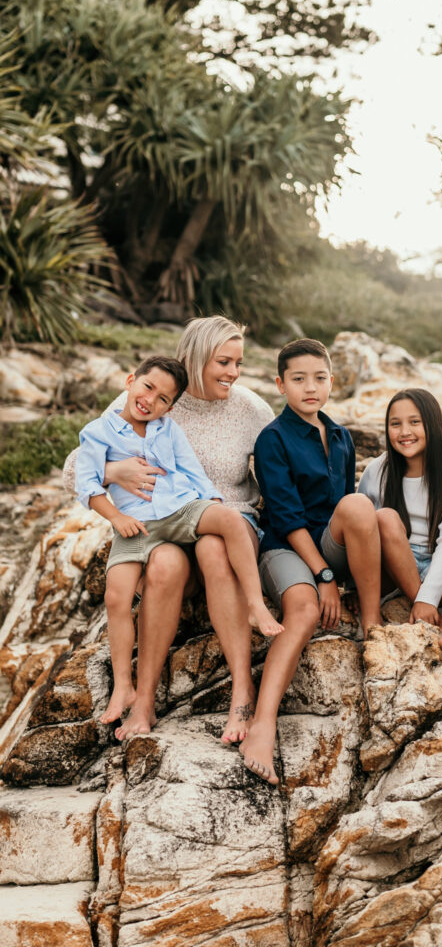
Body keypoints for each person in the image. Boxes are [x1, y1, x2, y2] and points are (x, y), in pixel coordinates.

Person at [63, 316, 275, 743]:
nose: (234, 373)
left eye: (238, 363)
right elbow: (74, 469)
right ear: (196, 358)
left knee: (214, 546)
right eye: (224, 362)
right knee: (162, 564)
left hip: (223, 519)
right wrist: (115, 471)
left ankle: (242, 691)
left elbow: (278, 473)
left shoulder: (251, 408)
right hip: (164, 526)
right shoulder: (148, 396)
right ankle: (143, 702)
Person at [244, 338, 383, 783]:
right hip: (286, 546)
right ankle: (262, 724)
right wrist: (323, 577)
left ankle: (373, 625)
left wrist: (336, 573)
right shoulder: (272, 439)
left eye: (319, 378)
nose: (310, 387)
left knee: (359, 506)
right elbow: (286, 517)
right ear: (280, 384)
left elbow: (346, 509)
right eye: (299, 379)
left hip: (329, 542)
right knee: (303, 610)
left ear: (331, 382)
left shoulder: (340, 435)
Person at [357, 388, 442, 654]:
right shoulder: (376, 470)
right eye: (395, 424)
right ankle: (424, 608)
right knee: (385, 518)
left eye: (415, 422)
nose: (404, 432)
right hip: (391, 568)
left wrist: (429, 598)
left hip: (440, 567)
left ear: (432, 424)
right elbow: (361, 534)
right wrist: (420, 599)